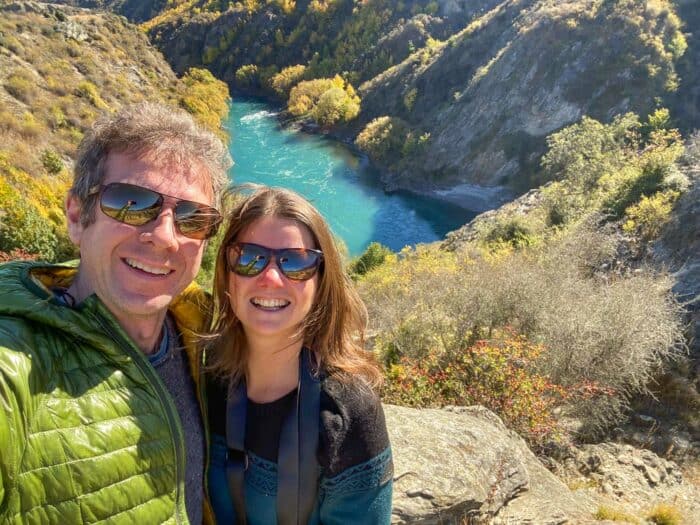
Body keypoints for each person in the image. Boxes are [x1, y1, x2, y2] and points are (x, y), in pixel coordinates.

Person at [0, 103, 232, 524]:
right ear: (76, 216)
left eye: (191, 218)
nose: (164, 237)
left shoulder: (202, 329)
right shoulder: (17, 365)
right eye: (132, 203)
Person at [206, 186, 393, 524]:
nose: (271, 278)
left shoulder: (347, 412)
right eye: (248, 257)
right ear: (226, 274)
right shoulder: (206, 371)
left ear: (321, 283)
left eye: (296, 262)